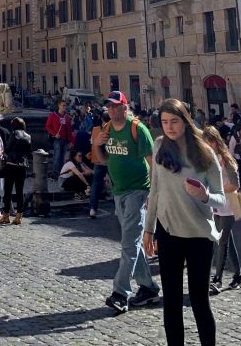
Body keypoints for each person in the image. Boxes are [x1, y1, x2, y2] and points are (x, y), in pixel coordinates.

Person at [144, 99, 225, 346]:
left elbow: (221, 198)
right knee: (171, 302)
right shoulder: (159, 145)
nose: (169, 127)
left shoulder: (204, 152)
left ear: (186, 121)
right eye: (164, 122)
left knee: (199, 301)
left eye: (174, 121)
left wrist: (205, 196)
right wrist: (148, 229)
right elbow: (155, 189)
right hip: (168, 232)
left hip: (199, 234)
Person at [91, 90, 160, 314]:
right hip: (118, 191)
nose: (111, 110)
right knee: (134, 242)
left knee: (129, 243)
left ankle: (120, 293)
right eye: (109, 106)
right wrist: (96, 144)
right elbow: (104, 160)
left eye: (115, 106)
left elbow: (153, 163)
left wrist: (153, 194)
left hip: (138, 191)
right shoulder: (106, 129)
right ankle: (148, 288)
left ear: (125, 107)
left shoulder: (138, 129)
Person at [202, 126, 241, 293]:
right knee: (227, 240)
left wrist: (216, 189)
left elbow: (235, 184)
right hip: (216, 205)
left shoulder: (226, 159)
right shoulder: (209, 159)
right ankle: (238, 275)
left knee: (221, 240)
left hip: (228, 204)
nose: (207, 146)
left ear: (216, 141)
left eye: (210, 142)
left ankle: (218, 279)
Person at [0, 116, 32, 225]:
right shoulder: (28, 136)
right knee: (20, 191)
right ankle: (18, 216)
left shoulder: (14, 133)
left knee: (8, 191)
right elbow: (29, 152)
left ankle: (6, 215)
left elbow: (7, 149)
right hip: (22, 166)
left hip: (11, 165)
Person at [45, 99, 74, 180]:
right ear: (59, 106)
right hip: (57, 139)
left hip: (65, 140)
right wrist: (54, 134)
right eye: (63, 105)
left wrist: (71, 141)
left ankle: (61, 172)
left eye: (65, 105)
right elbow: (47, 126)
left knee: (63, 157)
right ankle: (55, 173)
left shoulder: (67, 117)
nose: (65, 107)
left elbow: (70, 130)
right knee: (57, 157)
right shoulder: (53, 115)